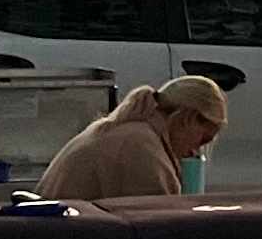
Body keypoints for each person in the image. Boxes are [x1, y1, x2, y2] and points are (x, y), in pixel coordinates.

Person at [38, 75, 227, 201]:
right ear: (188, 118)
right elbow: (161, 226)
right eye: (202, 140)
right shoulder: (142, 149)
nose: (194, 152)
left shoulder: (128, 132)